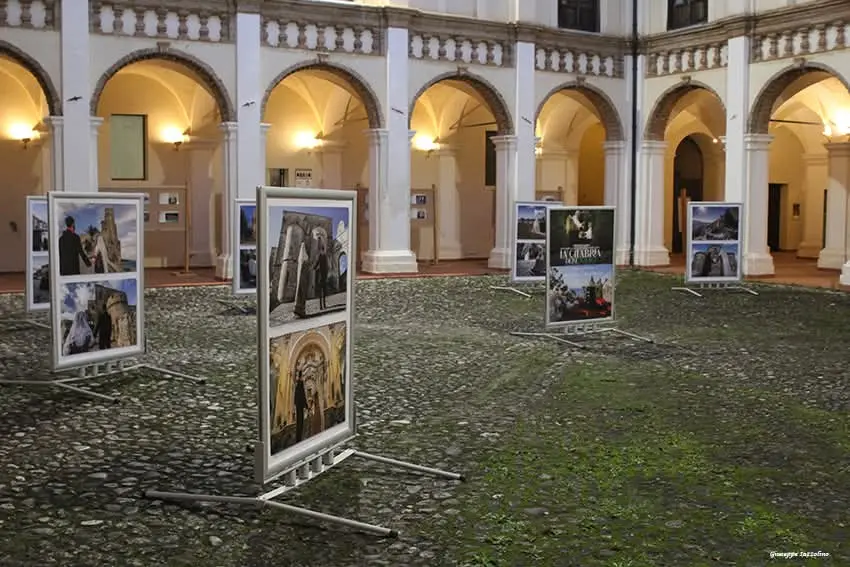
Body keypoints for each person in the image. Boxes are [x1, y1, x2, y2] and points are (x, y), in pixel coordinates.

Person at [314, 240, 329, 310]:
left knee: (321, 291)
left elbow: (317, 263)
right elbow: (326, 266)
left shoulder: (321, 256)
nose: (321, 251)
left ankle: (322, 305)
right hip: (323, 274)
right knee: (322, 291)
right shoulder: (325, 256)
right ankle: (323, 305)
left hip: (321, 274)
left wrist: (313, 268)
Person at [293, 370, 308, 443]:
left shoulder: (297, 384)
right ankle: (299, 438)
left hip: (298, 404)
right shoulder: (301, 383)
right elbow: (303, 395)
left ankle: (298, 437)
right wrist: (306, 405)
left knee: (299, 421)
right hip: (300, 405)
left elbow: (298, 395)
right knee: (300, 421)